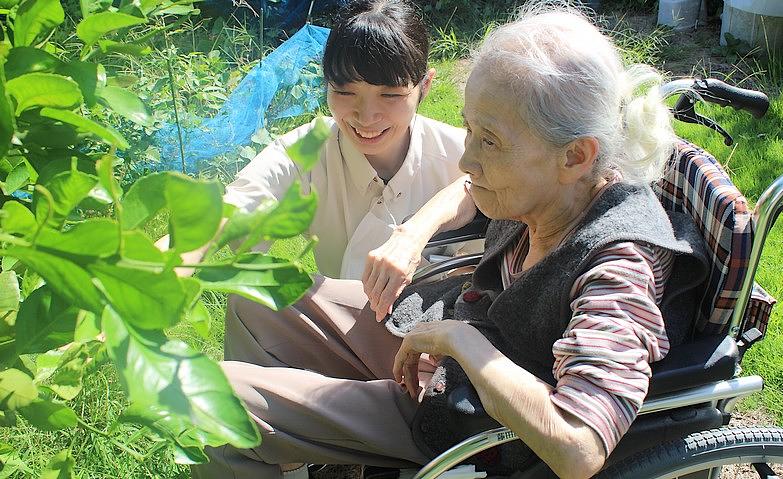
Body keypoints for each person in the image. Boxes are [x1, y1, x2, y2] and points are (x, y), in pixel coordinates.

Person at [193, 5, 709, 479]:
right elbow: (464, 189)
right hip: (442, 356)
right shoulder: (558, 191)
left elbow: (579, 447)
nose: (466, 161)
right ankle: (287, 449)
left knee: (208, 400)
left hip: (467, 423)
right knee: (256, 299)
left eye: (489, 140)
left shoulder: (618, 268)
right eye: (468, 131)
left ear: (575, 156)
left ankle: (270, 437)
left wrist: (461, 341)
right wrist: (418, 237)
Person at [157, 0, 469, 282]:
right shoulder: (306, 152)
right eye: (345, 92)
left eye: (390, 95)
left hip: (435, 329)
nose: (366, 116)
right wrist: (145, 272)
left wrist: (420, 230)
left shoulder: (461, 157)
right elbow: (226, 212)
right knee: (248, 304)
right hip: (336, 326)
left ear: (425, 86)